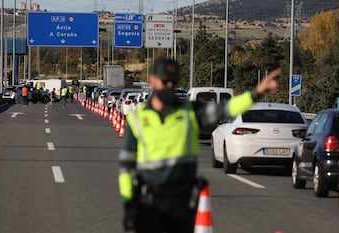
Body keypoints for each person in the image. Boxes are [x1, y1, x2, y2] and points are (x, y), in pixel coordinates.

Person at [118, 58, 281, 233]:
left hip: (182, 201)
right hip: (149, 202)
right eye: (165, 81)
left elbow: (227, 108)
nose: (169, 86)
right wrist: (129, 204)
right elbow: (126, 167)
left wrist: (256, 93)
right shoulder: (137, 119)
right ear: (152, 80)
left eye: (173, 82)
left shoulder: (190, 111)